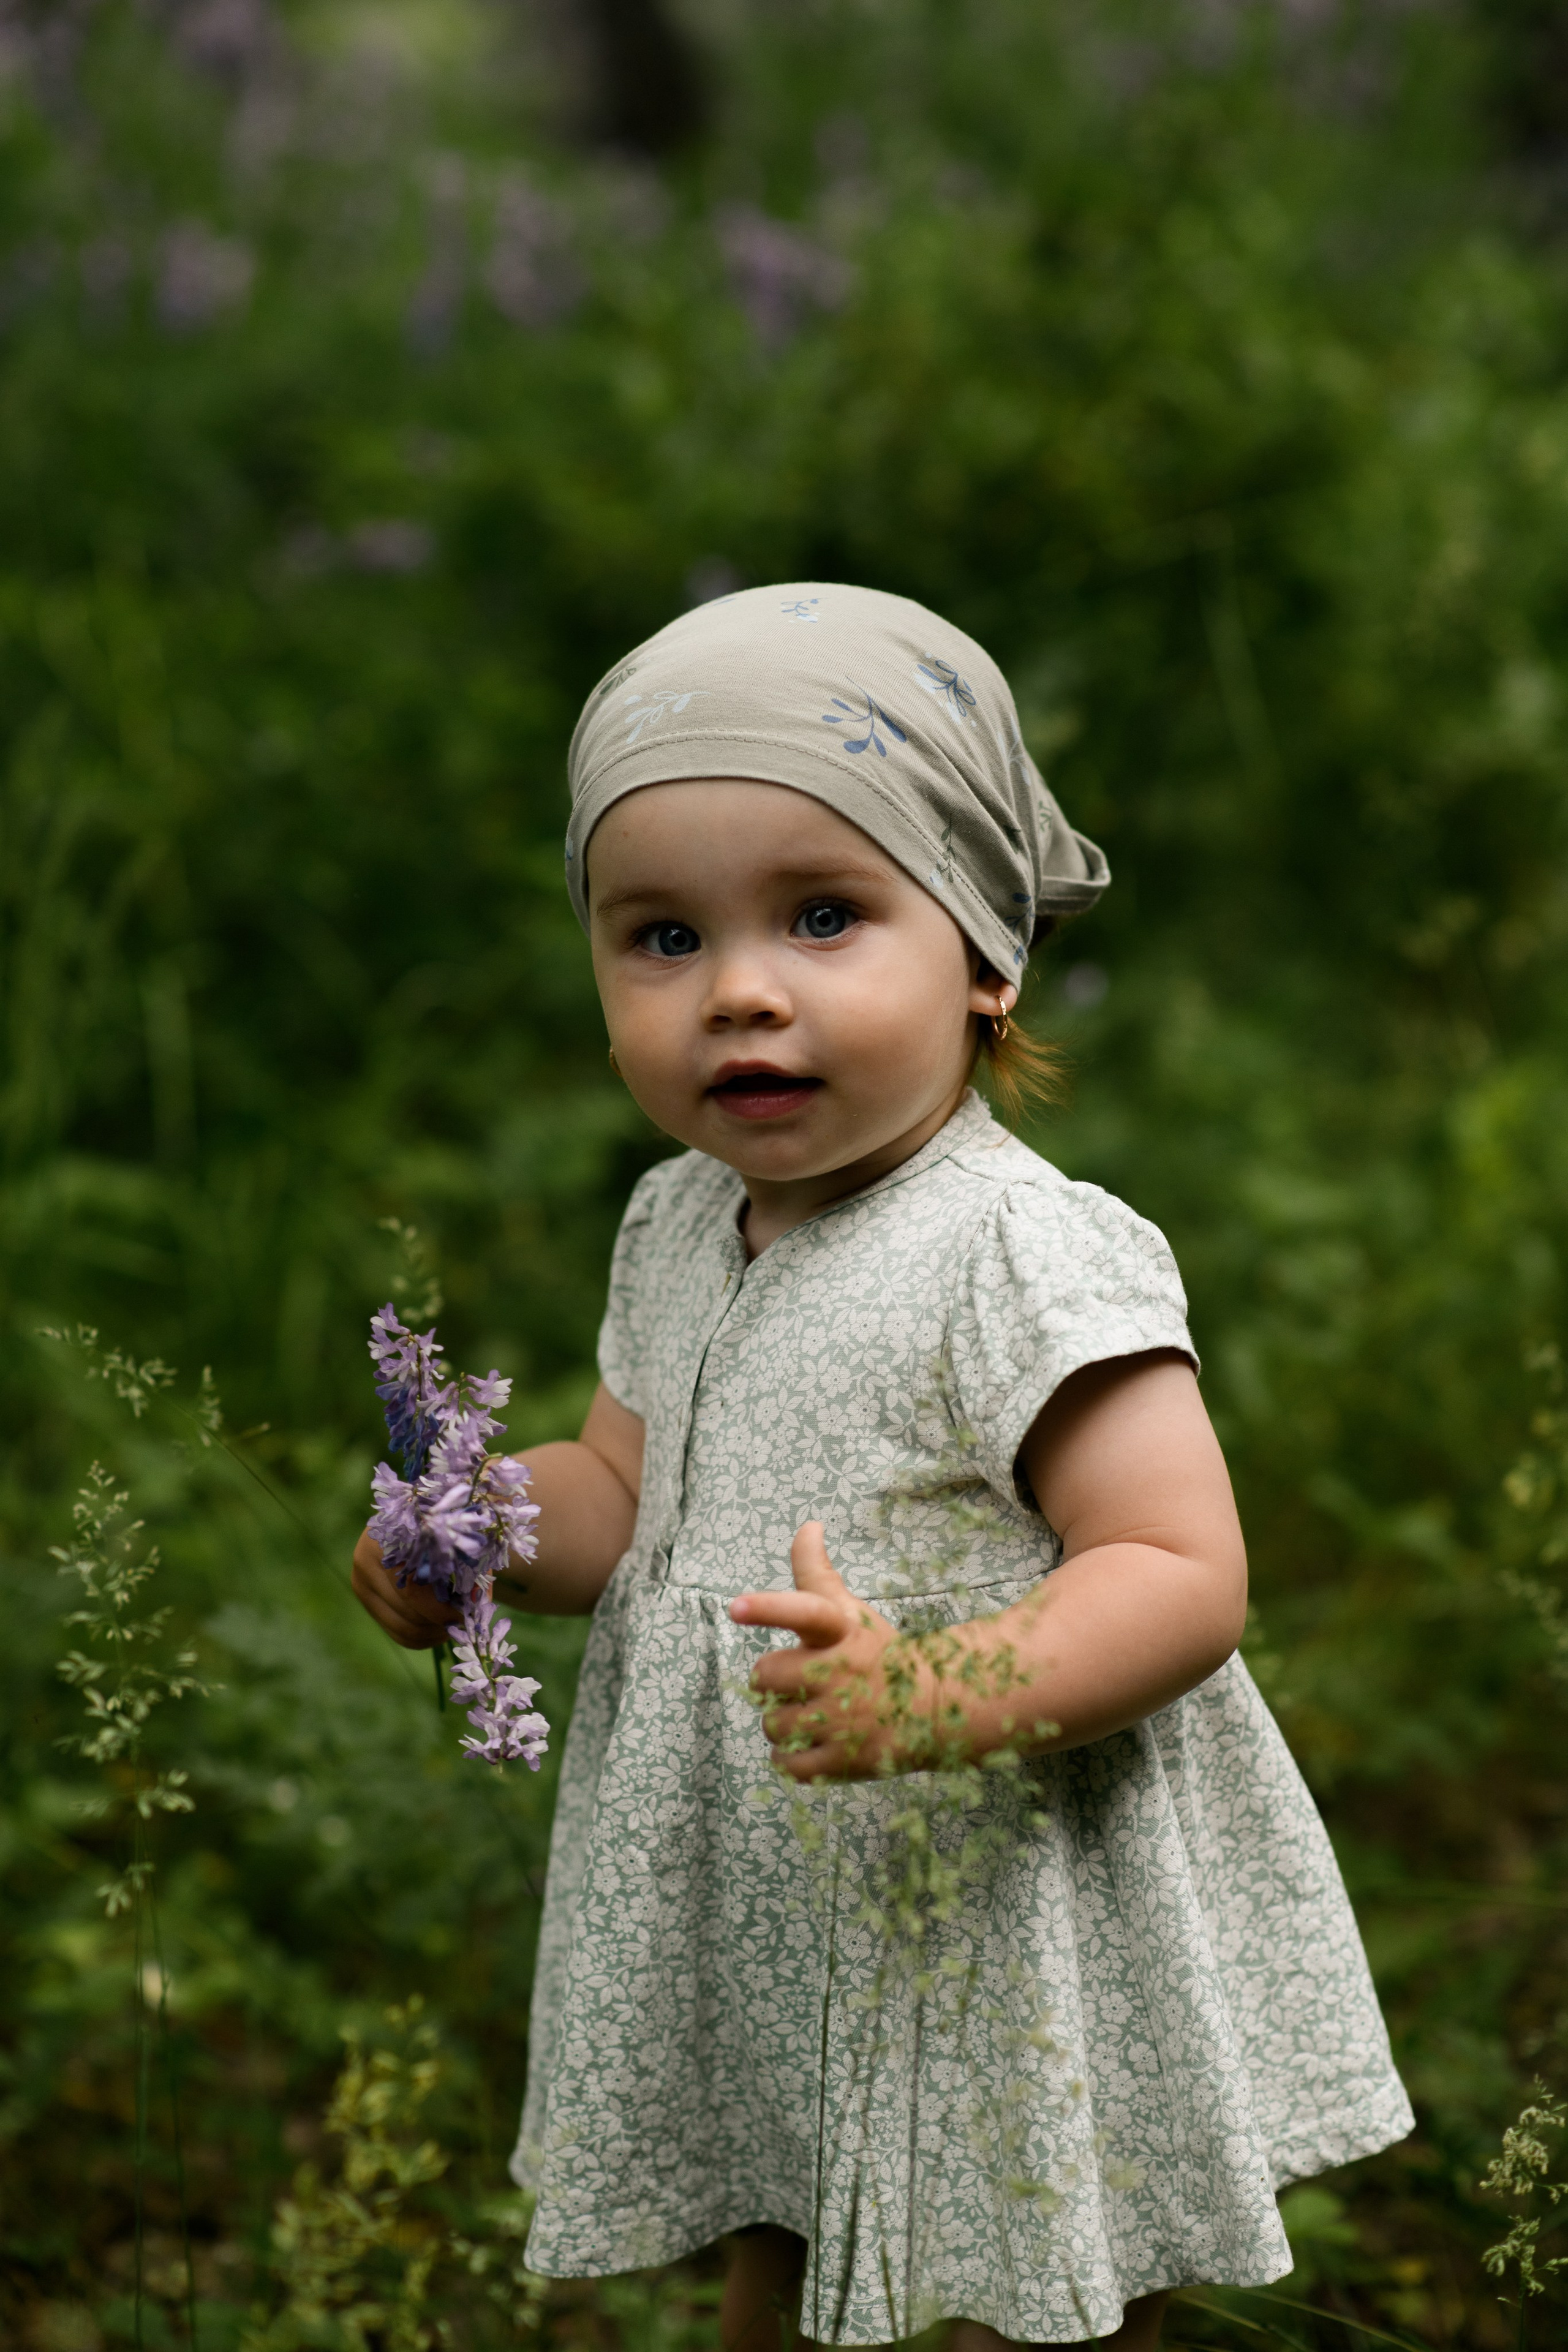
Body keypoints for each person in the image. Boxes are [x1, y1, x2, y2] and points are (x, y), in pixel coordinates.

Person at [352, 584, 1412, 2351]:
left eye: (826, 917)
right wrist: (486, 1531)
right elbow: (633, 1498)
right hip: (775, 1890)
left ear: (987, 950)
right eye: (661, 938)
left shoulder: (1018, 1252)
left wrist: (936, 1691)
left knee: (999, 2288)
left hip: (982, 1884)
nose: (741, 992)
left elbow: (1177, 1568)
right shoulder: (681, 1221)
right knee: (792, 2237)